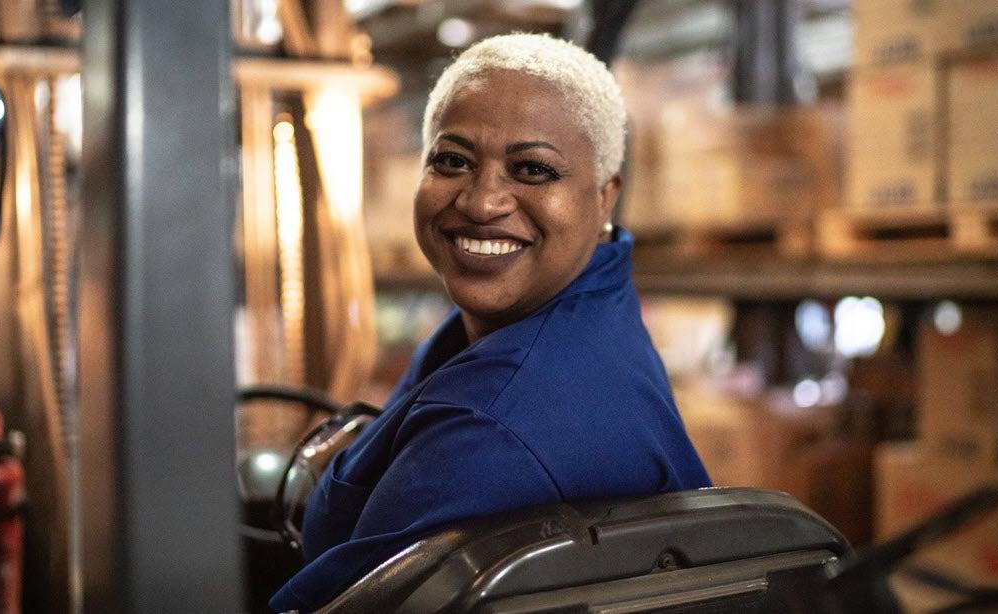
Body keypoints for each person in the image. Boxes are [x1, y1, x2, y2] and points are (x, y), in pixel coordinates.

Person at [269, 33, 711, 612]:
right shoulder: (568, 312)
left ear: (604, 198)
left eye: (532, 170)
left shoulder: (493, 426)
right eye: (452, 161)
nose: (482, 203)